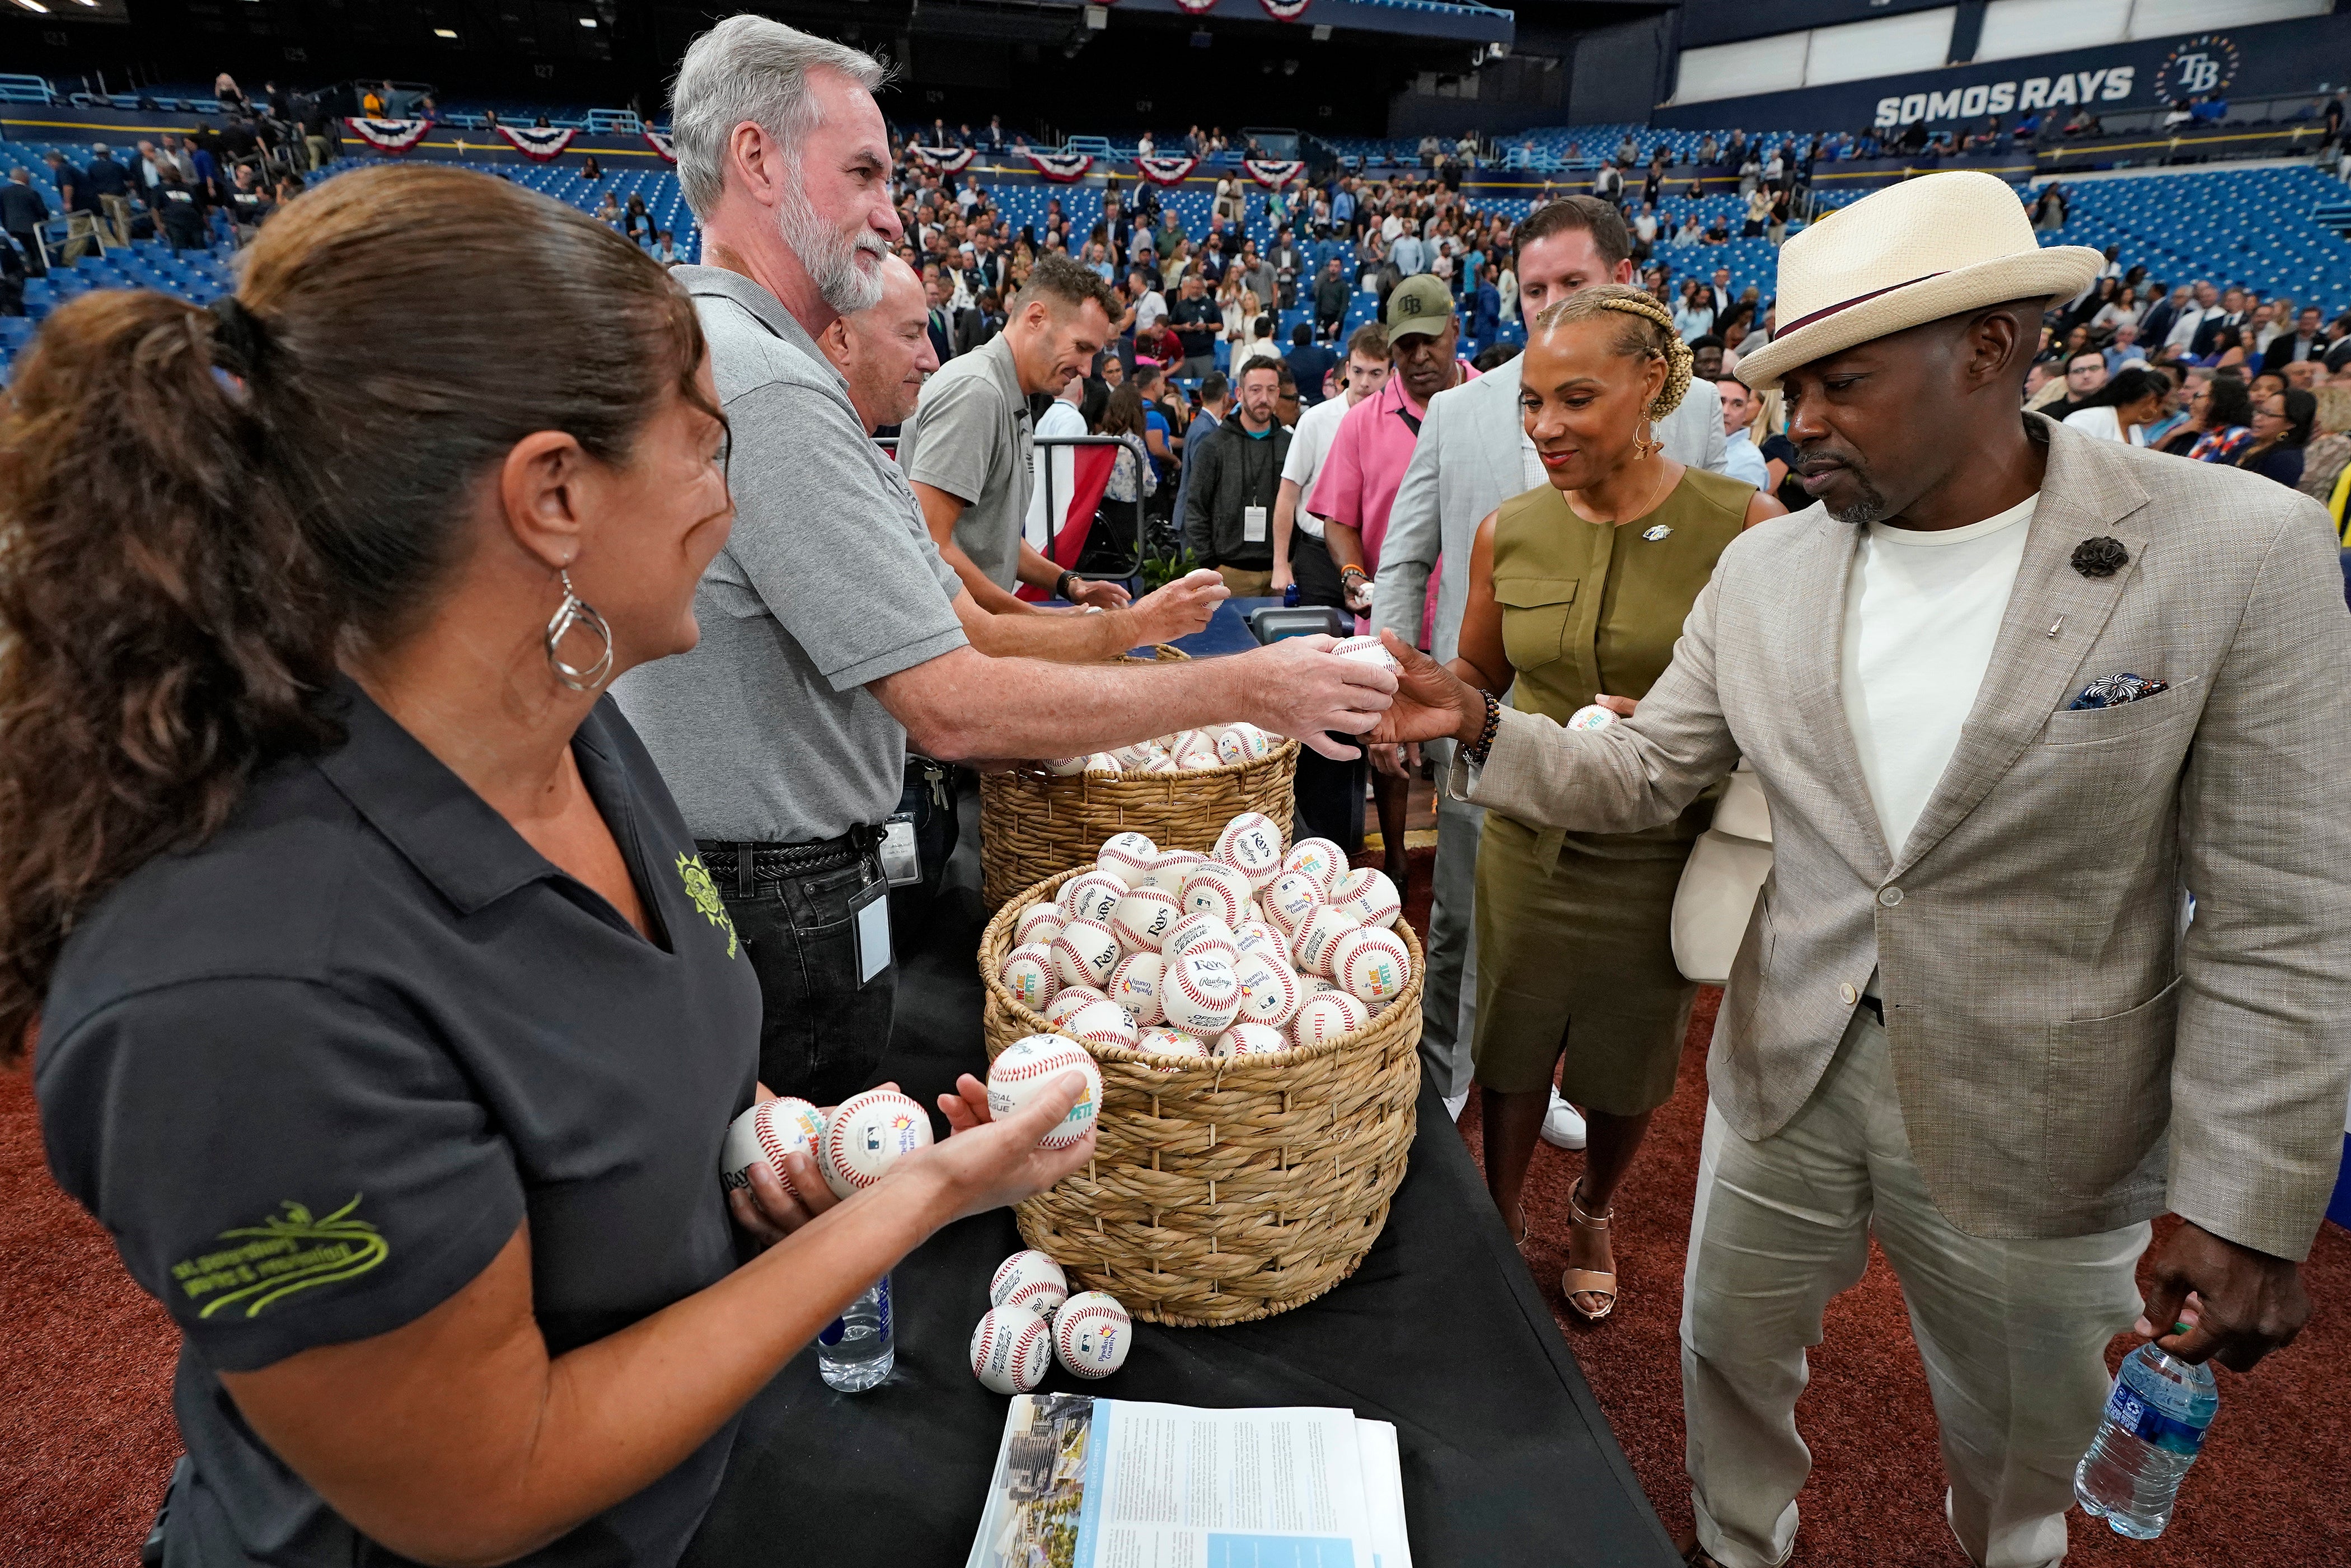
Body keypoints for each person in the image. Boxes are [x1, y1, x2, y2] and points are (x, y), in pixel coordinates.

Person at [9, 158, 1100, 1568]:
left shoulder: (578, 734)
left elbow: (624, 1065)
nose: (729, 499)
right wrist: (925, 1196)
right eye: (706, 445)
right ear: (553, 494)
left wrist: (768, 1141)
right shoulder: (244, 990)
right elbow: (488, 1482)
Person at [1371, 168, 2345, 1568]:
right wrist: (1476, 720)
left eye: (1842, 382)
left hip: (2044, 1114)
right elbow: (1644, 772)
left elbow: (2286, 917)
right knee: (1725, 1360)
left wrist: (2250, 1198)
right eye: (1789, 387)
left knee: (2021, 1452)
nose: (1801, 421)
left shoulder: (2239, 553)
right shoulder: (1772, 570)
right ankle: (1732, 1545)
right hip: (1787, 1064)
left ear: (1991, 349)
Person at [615, 16, 1398, 1104]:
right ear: (757, 159)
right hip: (781, 885)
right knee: (807, 1159)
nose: (892, 211)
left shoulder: (705, 341)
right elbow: (951, 701)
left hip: (740, 864)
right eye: (864, 172)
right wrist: (1250, 685)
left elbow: (945, 617)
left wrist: (1116, 627)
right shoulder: (774, 384)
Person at [1446, 288, 1784, 1312]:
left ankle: (1594, 1205)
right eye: (1532, 401)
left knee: (1632, 1063)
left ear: (1651, 385)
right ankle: (1500, 1214)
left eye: (1577, 398)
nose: (1545, 426)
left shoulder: (1748, 530)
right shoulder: (1508, 532)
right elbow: (1477, 677)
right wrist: (1420, 700)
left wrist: (1687, 727)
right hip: (1528, 842)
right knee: (1511, 1045)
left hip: (1660, 850)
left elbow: (1783, 716)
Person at [1371, 196, 1729, 1127]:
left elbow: (1721, 568)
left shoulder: (1690, 411)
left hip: (1635, 741)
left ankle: (1560, 1084)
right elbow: (1405, 558)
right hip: (1482, 714)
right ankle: (1445, 1085)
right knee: (1462, 922)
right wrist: (1395, 682)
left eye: (1574, 281)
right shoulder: (1459, 411)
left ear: (1626, 282)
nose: (1551, 303)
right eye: (1535, 288)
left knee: (1611, 940)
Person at [1273, 324, 1389, 609]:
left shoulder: (1398, 425)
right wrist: (1280, 563)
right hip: (1318, 555)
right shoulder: (1315, 420)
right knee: (1321, 633)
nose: (1364, 383)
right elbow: (1288, 494)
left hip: (1378, 555)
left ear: (1392, 375)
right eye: (1358, 371)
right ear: (1347, 370)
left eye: (1376, 374)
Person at [1183, 357, 1289, 596]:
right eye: (1256, 390)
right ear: (1239, 394)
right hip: (1230, 571)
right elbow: (1196, 507)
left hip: (1281, 570)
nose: (1264, 398)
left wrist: (1292, 560)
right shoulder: (1214, 446)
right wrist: (1210, 562)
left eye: (1271, 390)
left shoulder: (1290, 445)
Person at [2060, 365, 2167, 446]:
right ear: (2149, 401)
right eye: (2159, 403)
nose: (2160, 409)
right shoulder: (2087, 419)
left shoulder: (2134, 430)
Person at [2236, 387, 2315, 488]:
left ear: (2290, 423)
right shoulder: (2248, 444)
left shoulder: (2285, 460)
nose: (2257, 418)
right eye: (2259, 411)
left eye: (2268, 414)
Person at [1715, 376, 1771, 488]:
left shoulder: (1750, 460)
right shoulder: (1689, 442)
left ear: (1745, 413)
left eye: (1737, 405)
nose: (1726, 411)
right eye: (1720, 401)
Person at [1, 166, 49, 277]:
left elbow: (2, 212)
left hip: (14, 228)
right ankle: (42, 275)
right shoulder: (31, 192)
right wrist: (46, 219)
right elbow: (42, 211)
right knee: (37, 253)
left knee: (27, 251)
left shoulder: (3, 192)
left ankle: (32, 274)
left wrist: (8, 228)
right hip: (32, 228)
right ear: (24, 178)